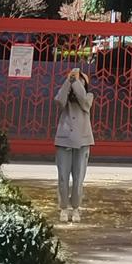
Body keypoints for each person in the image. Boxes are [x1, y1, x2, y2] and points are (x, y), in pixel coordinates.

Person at [54, 66, 94, 224]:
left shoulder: (89, 96)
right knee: (63, 177)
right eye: (74, 80)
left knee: (78, 179)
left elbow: (84, 101)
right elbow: (59, 101)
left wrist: (76, 81)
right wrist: (67, 81)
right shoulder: (65, 97)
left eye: (79, 80)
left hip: (83, 142)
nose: (75, 82)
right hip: (64, 140)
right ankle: (63, 207)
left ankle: (76, 208)